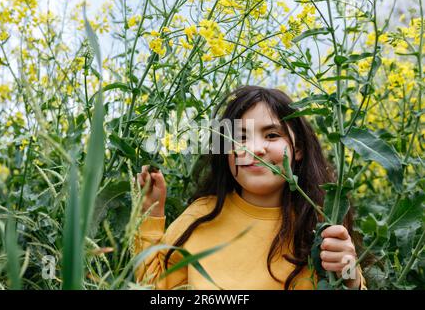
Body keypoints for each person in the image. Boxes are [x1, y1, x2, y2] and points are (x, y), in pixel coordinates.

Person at [134, 86, 366, 290]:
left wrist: (350, 277)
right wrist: (150, 215)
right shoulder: (201, 215)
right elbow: (154, 288)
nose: (255, 149)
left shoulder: (321, 222)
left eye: (272, 135)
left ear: (298, 149)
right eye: (240, 138)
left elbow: (346, 283)